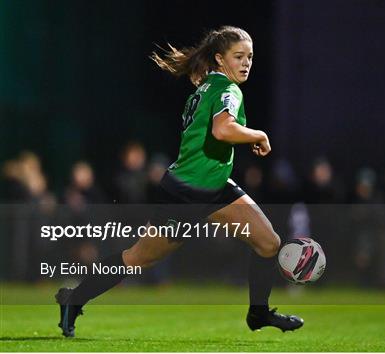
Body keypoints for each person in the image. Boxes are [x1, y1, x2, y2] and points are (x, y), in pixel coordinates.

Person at [55, 26, 303, 337]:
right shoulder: (228, 89)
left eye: (250, 57)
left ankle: (259, 314)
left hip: (212, 185)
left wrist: (243, 136)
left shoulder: (206, 88)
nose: (246, 63)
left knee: (269, 243)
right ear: (219, 58)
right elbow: (222, 130)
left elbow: (214, 133)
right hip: (188, 193)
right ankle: (73, 299)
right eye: (238, 56)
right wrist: (259, 134)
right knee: (139, 257)